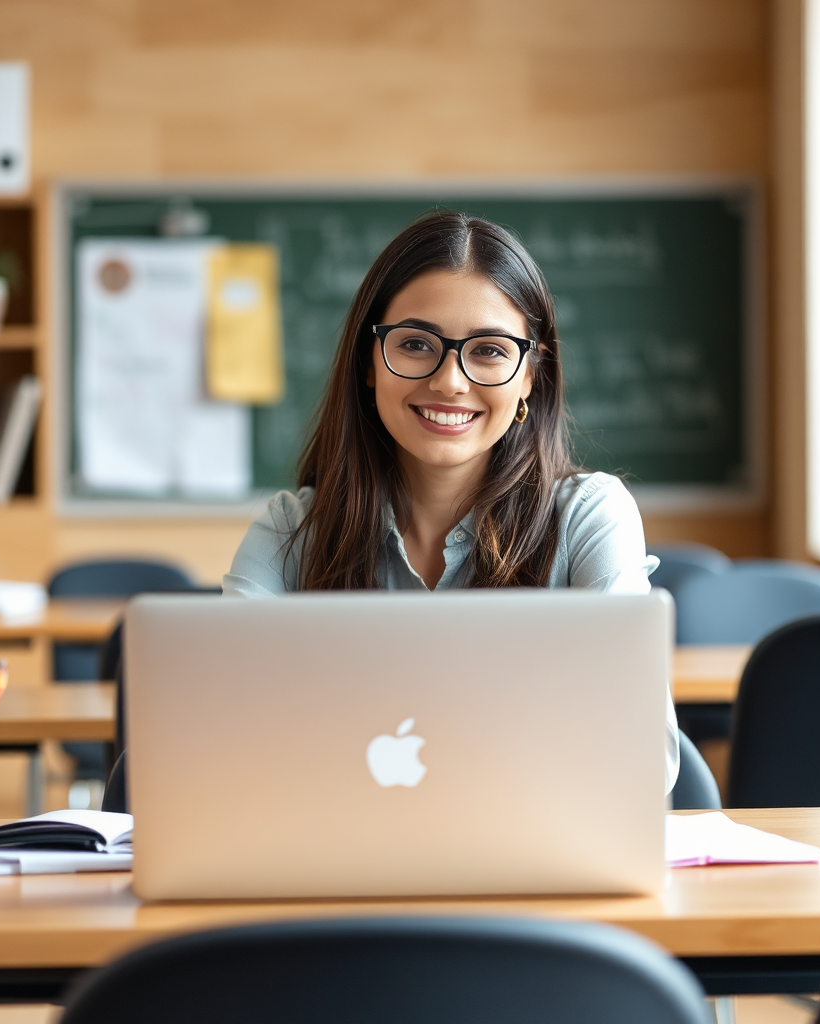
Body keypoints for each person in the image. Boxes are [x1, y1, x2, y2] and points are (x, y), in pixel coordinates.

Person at [224, 210, 679, 791]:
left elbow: (641, 755)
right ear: (368, 362)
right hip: (334, 863)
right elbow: (228, 739)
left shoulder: (589, 517)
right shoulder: (291, 530)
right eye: (416, 344)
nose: (450, 382)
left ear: (530, 375)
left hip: (529, 865)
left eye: (489, 350)